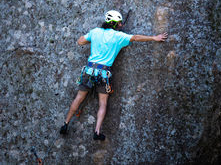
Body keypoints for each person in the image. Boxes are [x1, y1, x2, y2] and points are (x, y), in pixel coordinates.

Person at [60, 10, 168, 140]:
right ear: (115, 24)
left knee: (78, 98)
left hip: (89, 71)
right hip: (103, 74)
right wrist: (154, 38)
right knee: (103, 104)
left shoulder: (95, 32)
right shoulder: (119, 37)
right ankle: (97, 132)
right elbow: (136, 37)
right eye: (120, 23)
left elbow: (80, 41)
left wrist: (94, 41)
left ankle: (65, 124)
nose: (121, 25)